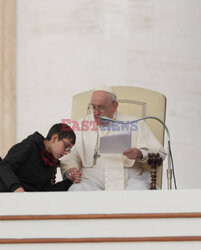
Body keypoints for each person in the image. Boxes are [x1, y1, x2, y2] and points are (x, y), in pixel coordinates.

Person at [60, 86, 166, 191]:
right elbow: (69, 155)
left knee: (138, 192)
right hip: (91, 179)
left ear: (114, 106)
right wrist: (71, 169)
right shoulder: (80, 125)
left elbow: (160, 153)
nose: (96, 113)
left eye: (101, 107)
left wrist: (140, 154)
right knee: (77, 190)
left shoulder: (135, 123)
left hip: (129, 178)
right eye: (93, 107)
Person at [0, 123, 77, 192]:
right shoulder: (29, 146)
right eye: (66, 147)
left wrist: (69, 181)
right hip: (7, 194)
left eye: (69, 150)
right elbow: (4, 166)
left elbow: (45, 191)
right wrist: (16, 187)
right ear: (54, 138)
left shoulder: (51, 161)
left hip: (26, 200)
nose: (66, 152)